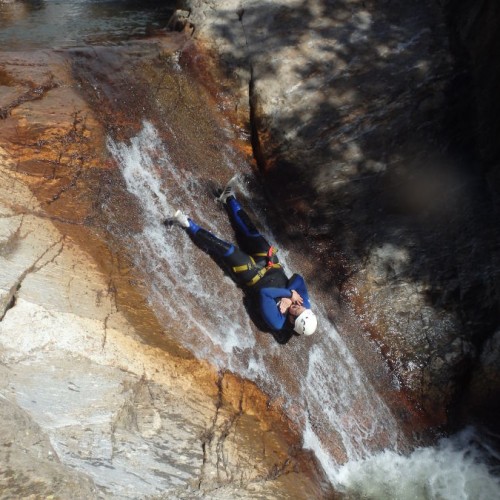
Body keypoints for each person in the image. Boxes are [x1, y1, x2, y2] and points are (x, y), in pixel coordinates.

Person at [169, 180, 318, 336]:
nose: (296, 307)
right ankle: (228, 198)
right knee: (251, 232)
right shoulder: (304, 303)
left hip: (253, 275)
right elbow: (298, 278)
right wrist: (289, 295)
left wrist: (288, 295)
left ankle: (187, 224)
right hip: (272, 264)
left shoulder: (277, 321)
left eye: (296, 312)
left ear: (292, 321)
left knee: (225, 249)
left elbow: (265, 294)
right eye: (300, 309)